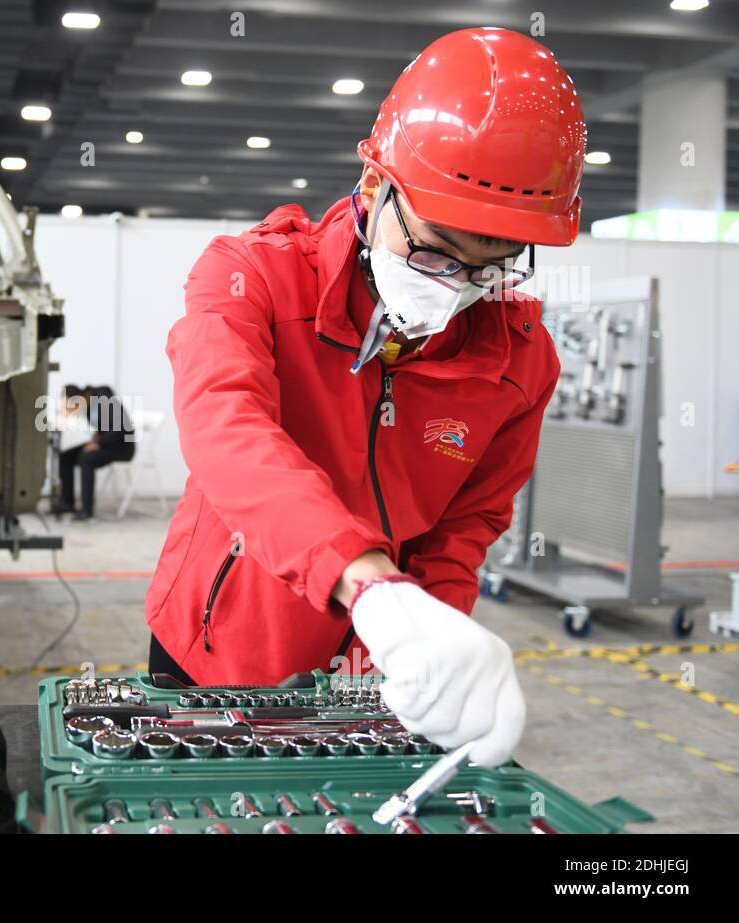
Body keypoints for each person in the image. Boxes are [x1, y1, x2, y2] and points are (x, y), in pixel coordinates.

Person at [144, 27, 586, 768]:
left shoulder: (519, 359)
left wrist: (432, 633)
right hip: (215, 647)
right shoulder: (249, 277)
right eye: (436, 252)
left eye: (491, 267)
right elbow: (228, 431)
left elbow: (465, 524)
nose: (455, 288)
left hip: (372, 674)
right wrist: (370, 585)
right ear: (376, 189)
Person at [55, 384, 135, 520]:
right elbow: (102, 429)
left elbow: (121, 430)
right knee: (66, 457)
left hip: (122, 448)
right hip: (106, 443)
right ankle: (67, 503)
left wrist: (98, 443)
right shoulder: (90, 404)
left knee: (86, 458)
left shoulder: (105, 400)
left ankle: (87, 510)